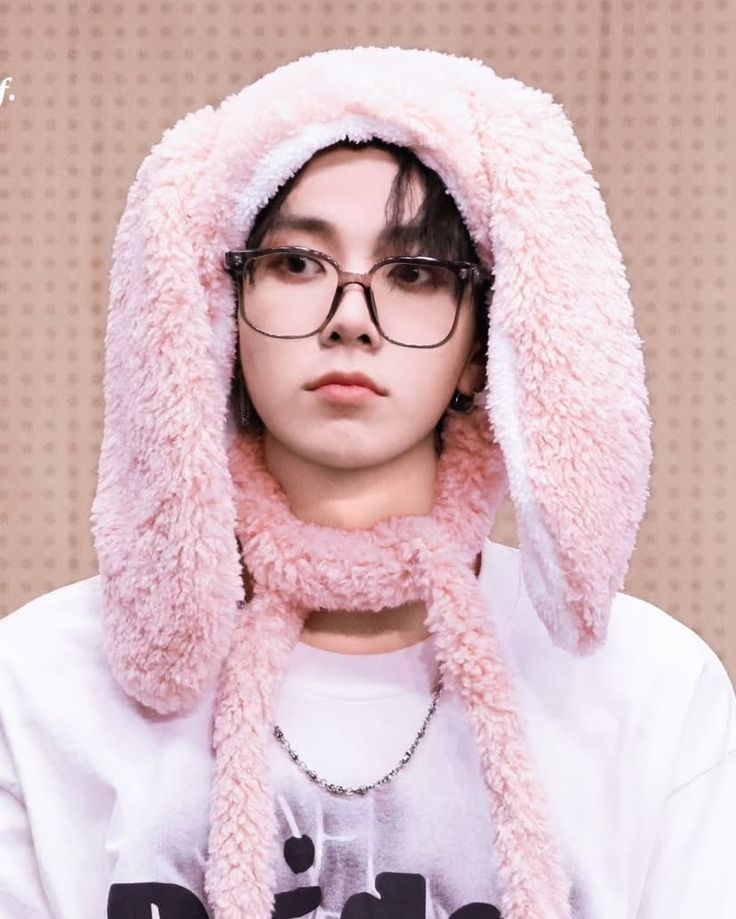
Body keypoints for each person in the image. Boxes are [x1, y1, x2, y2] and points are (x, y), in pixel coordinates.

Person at [0, 46, 734, 919]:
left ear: (484, 345)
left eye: (415, 273)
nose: (351, 319)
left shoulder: (650, 688)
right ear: (219, 311)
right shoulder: (40, 682)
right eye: (297, 263)